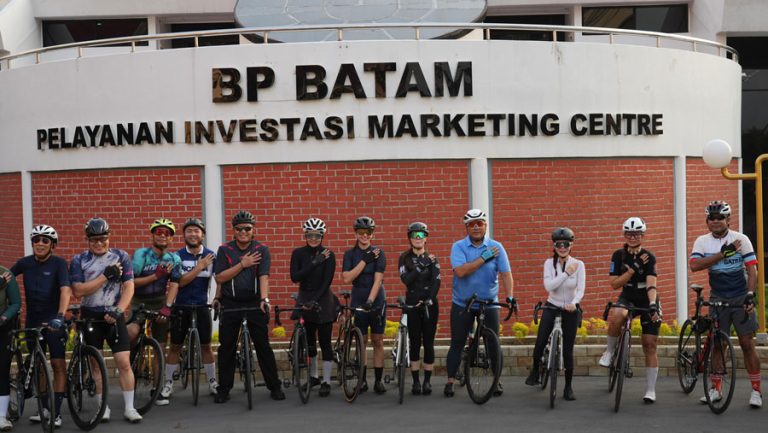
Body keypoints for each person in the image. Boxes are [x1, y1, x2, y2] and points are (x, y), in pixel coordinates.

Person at [69, 217, 142, 422]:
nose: (99, 243)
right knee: (96, 365)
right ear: (88, 240)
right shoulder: (79, 260)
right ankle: (103, 407)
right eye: (94, 240)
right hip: (91, 315)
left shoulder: (121, 256)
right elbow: (78, 290)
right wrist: (105, 277)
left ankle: (129, 408)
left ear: (109, 237)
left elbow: (129, 286)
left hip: (114, 314)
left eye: (103, 239)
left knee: (123, 362)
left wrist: (119, 310)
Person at [690, 200, 762, 408]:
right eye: (711, 218)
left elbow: (752, 270)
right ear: (707, 221)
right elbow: (694, 265)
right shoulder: (702, 241)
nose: (715, 221)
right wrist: (723, 254)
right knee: (718, 345)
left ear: (728, 220)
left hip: (740, 296)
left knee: (747, 344)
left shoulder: (741, 239)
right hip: (718, 297)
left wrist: (750, 295)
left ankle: (756, 391)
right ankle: (716, 389)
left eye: (720, 217)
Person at [212, 211, 284, 403]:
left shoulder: (262, 249)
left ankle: (274, 386)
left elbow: (264, 277)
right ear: (233, 231)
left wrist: (264, 299)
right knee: (226, 347)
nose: (243, 232)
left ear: (253, 230)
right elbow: (219, 277)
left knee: (263, 346)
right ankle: (224, 389)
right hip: (231, 303)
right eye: (239, 228)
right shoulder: (224, 250)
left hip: (253, 302)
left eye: (247, 228)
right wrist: (242, 264)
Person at [445, 209, 515, 398]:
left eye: (480, 223)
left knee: (493, 343)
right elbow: (460, 272)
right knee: (457, 343)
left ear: (485, 226)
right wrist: (483, 258)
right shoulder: (458, 247)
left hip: (489, 302)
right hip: (462, 303)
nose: (476, 227)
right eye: (471, 224)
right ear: (466, 227)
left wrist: (509, 297)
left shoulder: (496, 247)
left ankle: (496, 380)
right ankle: (450, 380)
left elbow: (506, 274)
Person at [9, 225, 72, 427]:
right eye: (36, 240)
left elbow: (65, 290)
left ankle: (56, 411)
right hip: (32, 321)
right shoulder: (25, 263)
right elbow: (6, 277)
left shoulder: (59, 264)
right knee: (39, 366)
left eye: (45, 240)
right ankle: (45, 407)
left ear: (52, 245)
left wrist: (60, 316)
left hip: (53, 320)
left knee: (57, 364)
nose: (40, 244)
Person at [598, 217, 661, 403]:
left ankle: (650, 390)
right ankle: (609, 352)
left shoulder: (649, 256)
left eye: (636, 233)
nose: (632, 237)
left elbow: (651, 285)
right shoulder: (618, 256)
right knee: (618, 313)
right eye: (629, 233)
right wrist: (632, 270)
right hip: (628, 297)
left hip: (646, 297)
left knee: (650, 343)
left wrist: (652, 304)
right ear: (624, 235)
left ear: (643, 235)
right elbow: (614, 284)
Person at [162, 218, 219, 405]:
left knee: (206, 347)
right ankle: (168, 383)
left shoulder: (211, 256)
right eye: (189, 231)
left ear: (202, 235)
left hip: (202, 306)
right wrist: (199, 267)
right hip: (181, 306)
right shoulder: (177, 256)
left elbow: (219, 279)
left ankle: (212, 381)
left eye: (196, 231)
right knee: (175, 346)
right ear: (184, 235)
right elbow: (180, 282)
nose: (193, 234)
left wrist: (217, 298)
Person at [524, 227, 585, 401]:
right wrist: (566, 273)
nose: (562, 247)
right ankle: (535, 371)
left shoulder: (579, 264)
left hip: (570, 309)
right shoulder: (548, 264)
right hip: (552, 305)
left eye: (566, 244)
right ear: (554, 245)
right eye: (559, 244)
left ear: (571, 245)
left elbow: (580, 290)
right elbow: (549, 287)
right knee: (540, 341)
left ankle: (568, 387)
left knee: (567, 350)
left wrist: (574, 304)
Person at [289, 217, 337, 397]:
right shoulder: (298, 253)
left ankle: (325, 380)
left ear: (322, 236)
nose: (313, 239)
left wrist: (314, 300)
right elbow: (295, 277)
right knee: (310, 341)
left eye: (317, 236)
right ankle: (314, 376)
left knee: (325, 341)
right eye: (310, 235)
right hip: (304, 296)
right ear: (305, 235)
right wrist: (315, 262)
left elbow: (327, 282)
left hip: (323, 298)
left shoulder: (329, 255)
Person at [342, 216, 387, 394]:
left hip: (375, 297)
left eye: (368, 232)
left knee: (377, 340)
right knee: (362, 341)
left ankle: (378, 380)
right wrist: (364, 261)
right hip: (358, 295)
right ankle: (362, 380)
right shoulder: (350, 254)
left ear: (372, 234)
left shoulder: (379, 253)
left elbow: (378, 279)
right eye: (361, 232)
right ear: (356, 233)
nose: (364, 236)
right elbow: (347, 278)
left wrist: (371, 300)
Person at [128, 218, 182, 361]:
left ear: (171, 238)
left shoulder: (174, 259)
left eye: (167, 233)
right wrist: (155, 276)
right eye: (159, 232)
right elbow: (130, 283)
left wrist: (168, 307)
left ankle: (159, 383)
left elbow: (175, 284)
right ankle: (130, 361)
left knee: (161, 347)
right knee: (131, 333)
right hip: (139, 301)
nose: (162, 235)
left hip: (159, 301)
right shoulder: (141, 254)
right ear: (152, 235)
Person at [398, 222, 440, 395]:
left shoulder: (433, 258)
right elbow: (406, 280)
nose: (417, 238)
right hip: (412, 304)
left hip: (429, 305)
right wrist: (421, 265)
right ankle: (415, 382)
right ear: (409, 238)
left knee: (428, 343)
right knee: (414, 342)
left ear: (426, 238)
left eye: (421, 235)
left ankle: (427, 382)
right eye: (414, 235)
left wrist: (429, 299)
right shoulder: (404, 258)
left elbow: (436, 281)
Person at [0, 264, 21, 431]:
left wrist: (4, 317)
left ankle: (1, 416)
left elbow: (15, 303)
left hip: (2, 325)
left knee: (2, 367)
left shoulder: (5, 274)